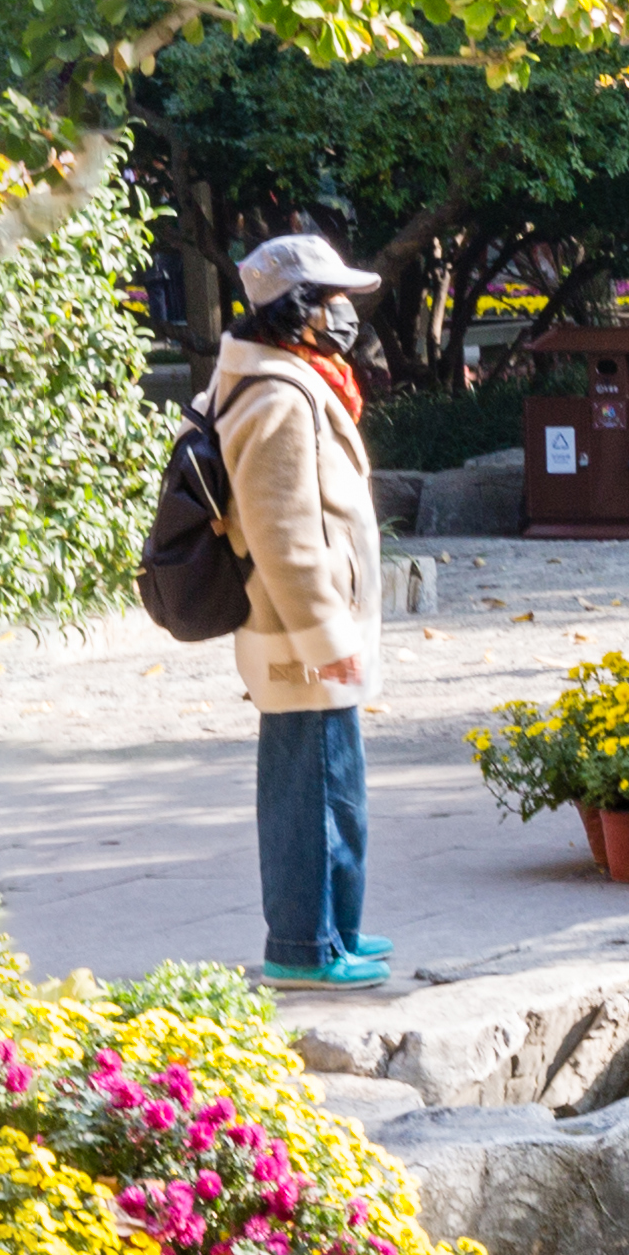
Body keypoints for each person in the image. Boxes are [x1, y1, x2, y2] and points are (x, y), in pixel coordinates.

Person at [211, 231, 393, 989]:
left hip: (314, 630)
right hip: (297, 634)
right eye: (333, 299)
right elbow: (282, 536)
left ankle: (335, 932)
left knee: (334, 784)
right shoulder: (278, 399)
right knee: (308, 793)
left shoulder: (291, 381)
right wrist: (327, 639)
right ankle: (301, 949)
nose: (347, 312)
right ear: (299, 311)